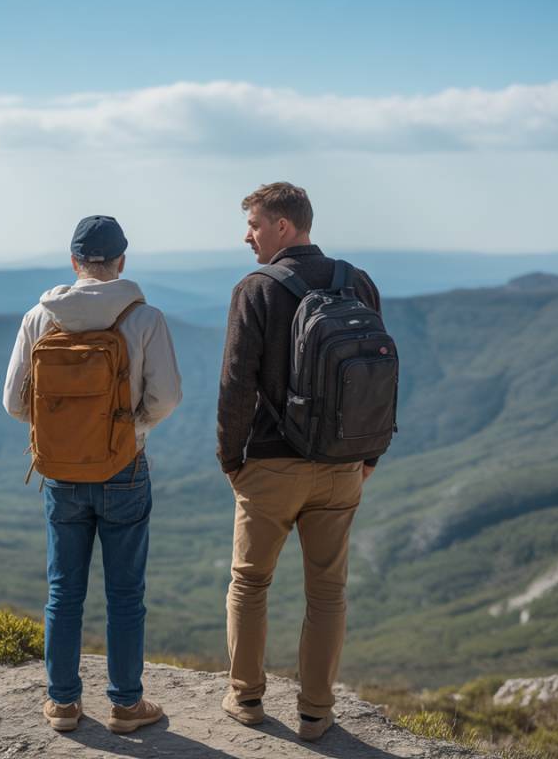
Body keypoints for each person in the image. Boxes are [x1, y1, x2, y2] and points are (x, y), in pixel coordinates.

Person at [216, 183, 383, 742]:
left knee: (249, 582)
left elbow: (236, 384)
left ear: (284, 227)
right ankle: (315, 713)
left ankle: (246, 699)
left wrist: (231, 459)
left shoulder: (256, 289)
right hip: (341, 467)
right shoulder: (357, 282)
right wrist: (369, 455)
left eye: (256, 225)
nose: (248, 235)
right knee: (328, 592)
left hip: (269, 466)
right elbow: (379, 377)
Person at [3, 215, 182, 735]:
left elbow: (14, 402)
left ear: (75, 262)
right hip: (124, 467)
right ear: (121, 261)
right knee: (126, 593)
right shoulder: (144, 317)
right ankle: (126, 705)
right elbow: (165, 397)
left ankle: (62, 704)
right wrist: (130, 427)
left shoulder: (40, 318)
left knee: (64, 590)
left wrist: (62, 428)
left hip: (59, 471)